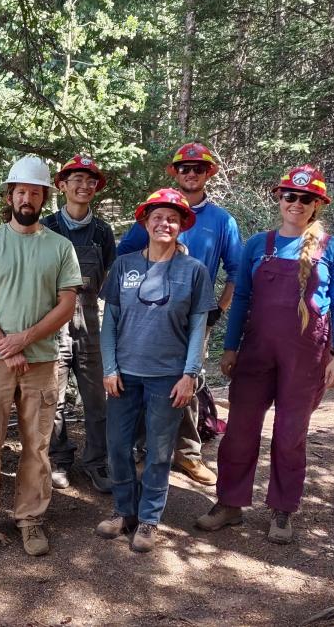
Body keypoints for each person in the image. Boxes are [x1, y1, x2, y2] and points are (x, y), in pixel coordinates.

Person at [195, 165, 334, 544]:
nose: (296, 204)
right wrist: (230, 347)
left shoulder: (332, 248)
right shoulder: (258, 244)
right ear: (278, 199)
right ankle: (230, 503)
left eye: (305, 198)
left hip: (306, 356)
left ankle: (282, 509)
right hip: (256, 353)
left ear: (317, 204)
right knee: (240, 430)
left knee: (289, 433)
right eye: (289, 196)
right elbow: (243, 298)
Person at [0, 156, 81, 563]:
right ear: (9, 195)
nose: (27, 198)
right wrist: (3, 344)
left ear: (45, 196)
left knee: (37, 447)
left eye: (34, 192)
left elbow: (66, 304)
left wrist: (25, 340)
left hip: (42, 360)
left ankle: (30, 518)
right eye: (20, 191)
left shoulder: (60, 247)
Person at [95, 188, 215, 553]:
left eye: (173, 218)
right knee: (117, 445)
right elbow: (109, 321)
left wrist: (190, 373)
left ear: (182, 226)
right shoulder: (125, 265)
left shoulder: (194, 271)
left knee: (160, 451)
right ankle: (123, 511)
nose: (165, 223)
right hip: (125, 375)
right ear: (145, 222)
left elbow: (198, 326)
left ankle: (148, 519)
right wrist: (110, 368)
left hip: (168, 376)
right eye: (158, 217)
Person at [115, 142, 241, 485]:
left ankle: (187, 454)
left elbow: (237, 270)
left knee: (188, 383)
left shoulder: (221, 220)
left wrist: (221, 307)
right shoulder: (159, 212)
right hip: (148, 316)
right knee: (143, 379)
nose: (191, 173)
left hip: (195, 317)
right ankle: (146, 450)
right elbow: (123, 254)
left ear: (207, 174)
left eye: (198, 169)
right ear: (175, 172)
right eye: (185, 168)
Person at [42, 155, 116, 493]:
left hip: (89, 320)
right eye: (77, 180)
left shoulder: (102, 231)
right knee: (51, 398)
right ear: (62, 185)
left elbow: (110, 280)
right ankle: (59, 460)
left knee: (96, 399)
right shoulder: (46, 228)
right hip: (51, 322)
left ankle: (97, 462)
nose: (84, 186)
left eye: (91, 181)